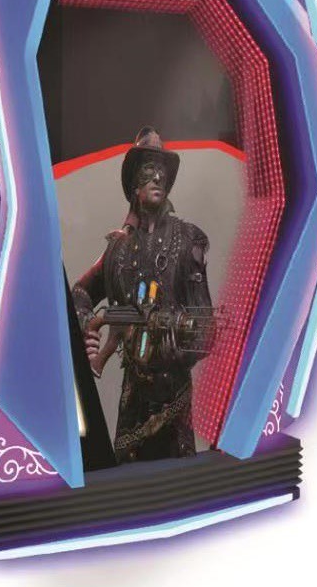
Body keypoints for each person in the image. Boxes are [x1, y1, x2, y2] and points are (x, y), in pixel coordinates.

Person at [72, 126, 212, 462]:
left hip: (174, 398)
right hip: (132, 400)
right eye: (150, 170)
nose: (158, 177)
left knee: (178, 483)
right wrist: (88, 327)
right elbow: (79, 291)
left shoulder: (188, 240)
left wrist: (171, 334)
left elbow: (207, 330)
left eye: (162, 171)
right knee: (128, 481)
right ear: (135, 184)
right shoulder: (118, 249)